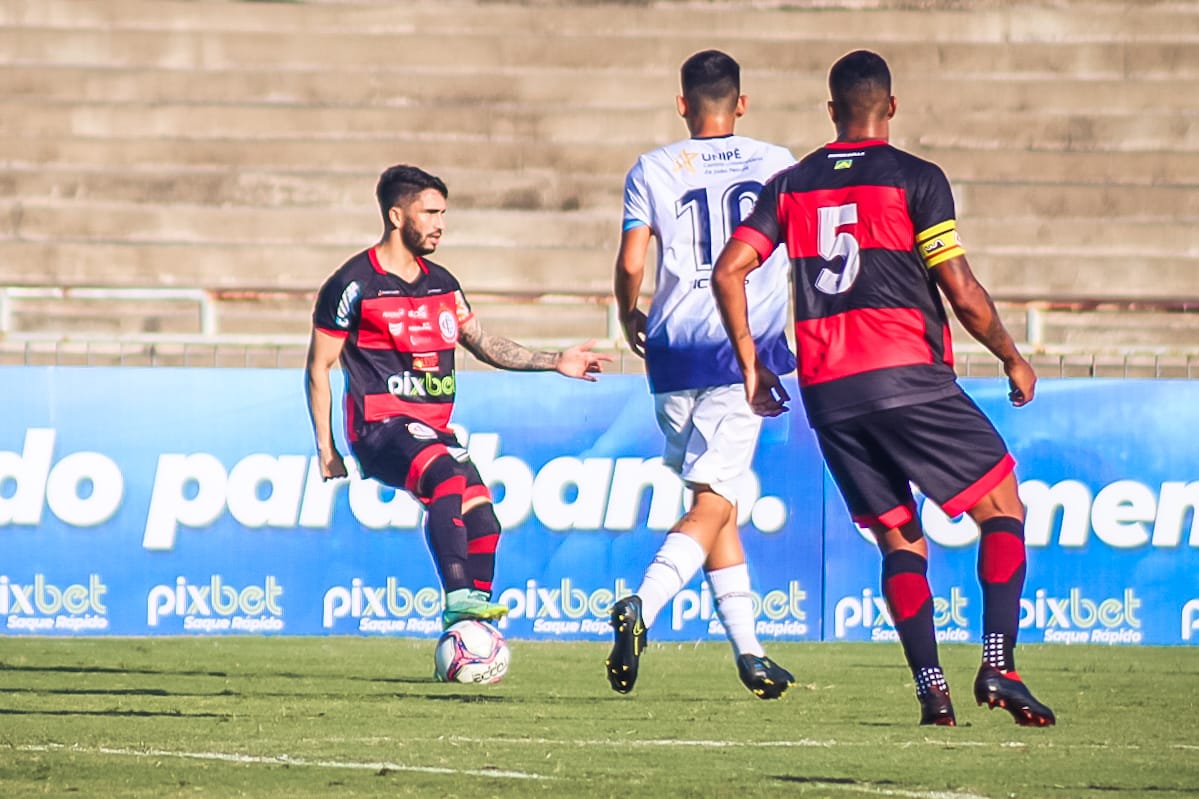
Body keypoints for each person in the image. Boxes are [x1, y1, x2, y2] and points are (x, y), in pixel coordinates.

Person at [711, 50, 1055, 727]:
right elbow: (959, 289)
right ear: (889, 108)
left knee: (900, 542)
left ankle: (932, 689)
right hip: (906, 373)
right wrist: (1011, 355)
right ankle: (997, 662)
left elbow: (730, 269)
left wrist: (754, 367)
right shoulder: (914, 178)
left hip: (829, 390)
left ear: (832, 109)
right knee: (1001, 508)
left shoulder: (791, 183)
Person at [306, 164, 612, 631]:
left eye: (443, 213)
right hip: (379, 425)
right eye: (429, 212)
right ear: (395, 216)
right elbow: (318, 368)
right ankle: (458, 600)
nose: (440, 224)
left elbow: (485, 344)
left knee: (483, 518)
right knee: (446, 478)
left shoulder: (443, 284)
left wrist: (555, 360)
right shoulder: (352, 285)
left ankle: (473, 632)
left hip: (432, 429)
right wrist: (327, 449)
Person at [607, 50, 798, 700]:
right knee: (716, 498)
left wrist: (625, 310)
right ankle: (643, 607)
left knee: (714, 499)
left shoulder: (652, 167)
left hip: (670, 349)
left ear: (682, 103)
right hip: (738, 349)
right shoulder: (778, 163)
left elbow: (634, 259)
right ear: (740, 103)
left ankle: (750, 653)